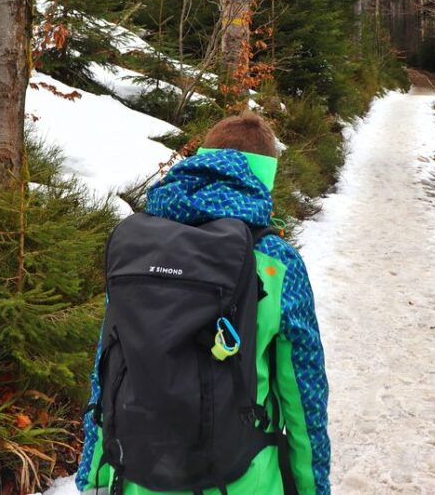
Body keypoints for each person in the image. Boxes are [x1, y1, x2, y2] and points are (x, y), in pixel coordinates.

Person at [76, 111, 331, 495]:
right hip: (242, 479)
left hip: (135, 476)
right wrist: (313, 488)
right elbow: (304, 393)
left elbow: (107, 369)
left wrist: (93, 479)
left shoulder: (136, 247)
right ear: (264, 178)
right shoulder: (276, 261)